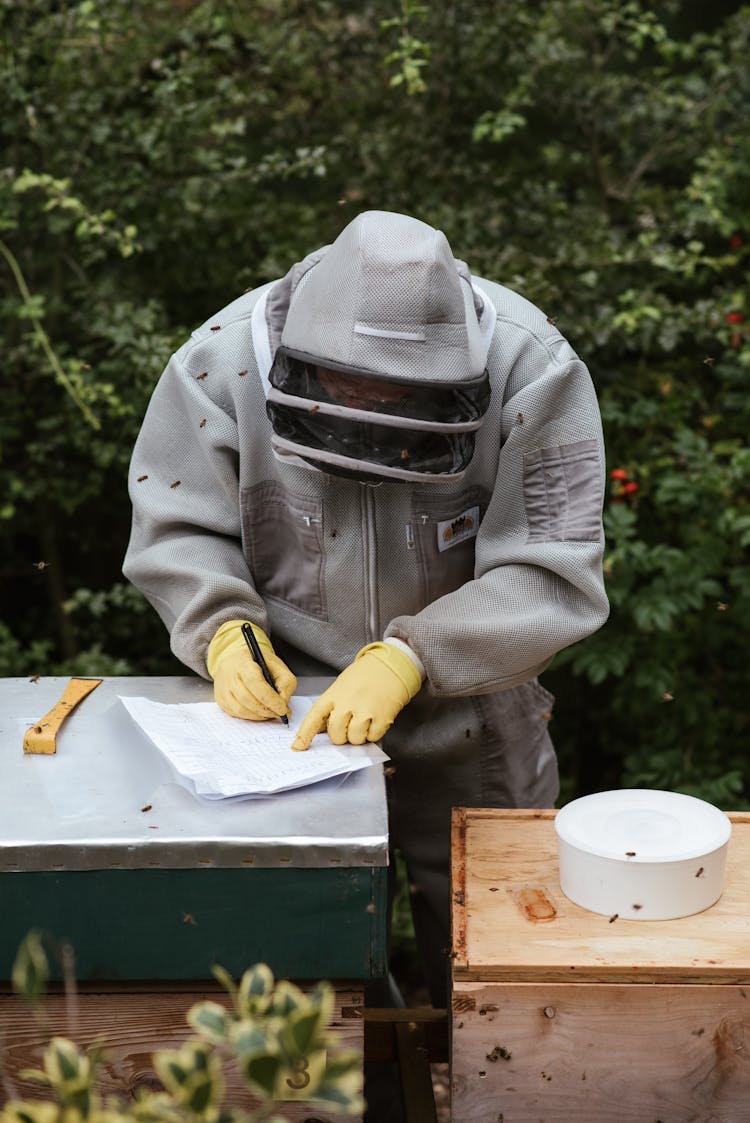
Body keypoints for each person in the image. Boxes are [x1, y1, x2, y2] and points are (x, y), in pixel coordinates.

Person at [123, 209, 609, 1010]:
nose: (373, 411)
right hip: (287, 729)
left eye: (398, 402)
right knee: (318, 977)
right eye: (352, 393)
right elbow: (176, 521)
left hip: (476, 708)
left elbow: (553, 570)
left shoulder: (533, 369)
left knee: (502, 975)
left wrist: (414, 654)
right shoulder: (219, 364)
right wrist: (220, 628)